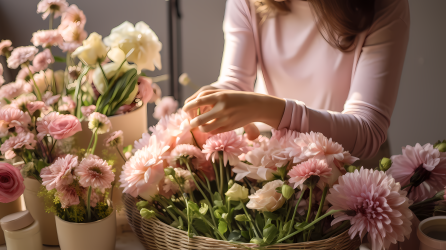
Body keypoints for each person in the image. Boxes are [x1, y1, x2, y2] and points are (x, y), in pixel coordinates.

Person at [183, 0, 410, 165]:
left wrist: (269, 109)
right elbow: (235, 82)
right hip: (278, 165)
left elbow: (367, 131)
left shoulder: (384, 6)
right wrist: (216, 96)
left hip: (353, 179)